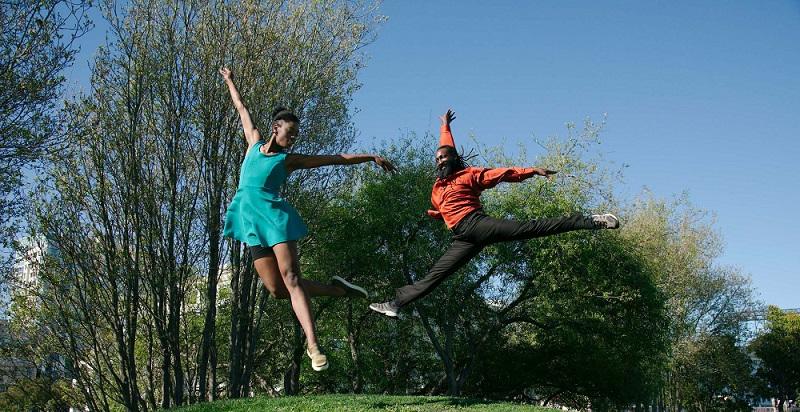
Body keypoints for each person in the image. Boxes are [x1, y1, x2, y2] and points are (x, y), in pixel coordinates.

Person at [220, 67, 395, 371]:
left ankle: (314, 347)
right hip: (250, 224)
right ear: (276, 127)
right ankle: (340, 290)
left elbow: (335, 159)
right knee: (276, 290)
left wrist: (371, 157)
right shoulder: (253, 144)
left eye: (296, 137)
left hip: (274, 219)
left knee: (291, 279)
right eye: (290, 134)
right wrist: (230, 80)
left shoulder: (288, 160)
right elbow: (241, 108)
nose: (293, 140)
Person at [369, 109, 619, 318]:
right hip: (463, 238)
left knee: (530, 228)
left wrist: (531, 171)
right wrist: (445, 126)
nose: (439, 161)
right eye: (437, 159)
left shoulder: (468, 175)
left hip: (476, 225)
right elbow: (445, 147)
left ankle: (592, 221)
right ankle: (396, 304)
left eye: (444, 158)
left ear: (454, 160)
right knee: (437, 274)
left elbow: (502, 173)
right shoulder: (438, 186)